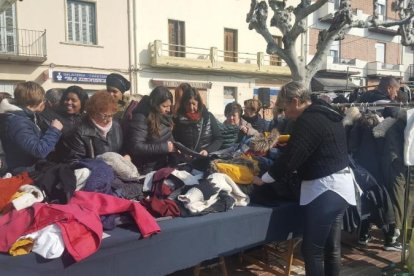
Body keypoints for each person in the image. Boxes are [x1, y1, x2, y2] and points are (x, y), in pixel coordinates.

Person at [253, 81, 357, 276]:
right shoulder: (326, 112)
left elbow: (291, 158)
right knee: (331, 248)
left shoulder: (308, 121)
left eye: (284, 107)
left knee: (311, 250)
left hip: (327, 189)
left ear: (295, 101)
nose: (284, 113)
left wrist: (264, 179)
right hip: (341, 187)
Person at [0, 82, 63, 174]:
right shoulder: (18, 122)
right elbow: (38, 151)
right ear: (37, 100)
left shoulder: (24, 117)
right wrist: (54, 130)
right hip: (23, 173)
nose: (44, 101)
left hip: (26, 170)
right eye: (43, 98)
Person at [59, 91, 123, 162]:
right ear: (93, 112)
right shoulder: (78, 131)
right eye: (105, 116)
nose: (109, 120)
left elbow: (122, 149)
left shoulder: (116, 126)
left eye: (111, 115)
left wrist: (126, 156)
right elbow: (74, 161)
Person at [124, 86, 175, 174]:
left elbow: (168, 137)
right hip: (146, 169)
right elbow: (136, 146)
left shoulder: (163, 116)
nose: (168, 109)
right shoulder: (140, 117)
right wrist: (164, 147)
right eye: (164, 106)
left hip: (162, 165)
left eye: (170, 106)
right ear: (155, 104)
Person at [173, 86, 223, 156]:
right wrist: (181, 153)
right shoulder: (178, 120)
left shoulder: (208, 117)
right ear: (184, 104)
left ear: (199, 103)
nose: (191, 107)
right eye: (188, 104)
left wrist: (207, 150)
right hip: (185, 161)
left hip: (205, 160)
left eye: (194, 104)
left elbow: (218, 139)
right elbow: (175, 141)